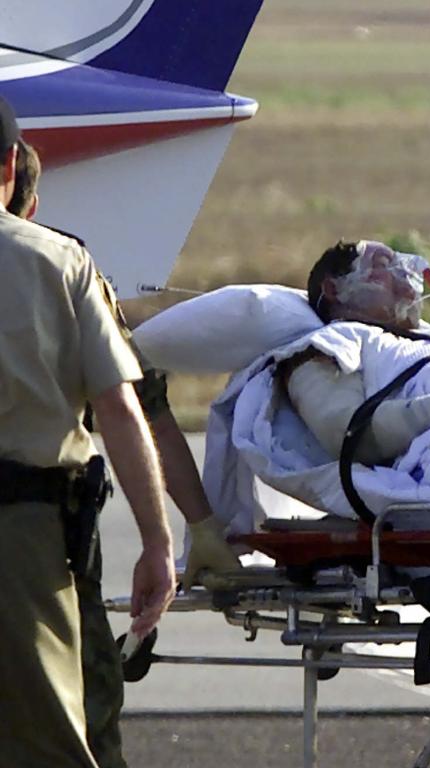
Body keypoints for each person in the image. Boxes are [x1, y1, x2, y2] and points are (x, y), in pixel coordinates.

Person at [9, 137, 239, 768]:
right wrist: (189, 531)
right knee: (78, 712)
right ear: (28, 198)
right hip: (36, 542)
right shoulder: (60, 268)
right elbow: (136, 409)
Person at [0, 96, 176, 767]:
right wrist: (158, 542)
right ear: (13, 165)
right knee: (50, 738)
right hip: (26, 541)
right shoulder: (59, 263)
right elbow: (120, 408)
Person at [283, 238, 430, 464]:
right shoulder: (333, 342)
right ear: (334, 289)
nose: (408, 281)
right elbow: (347, 435)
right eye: (384, 266)